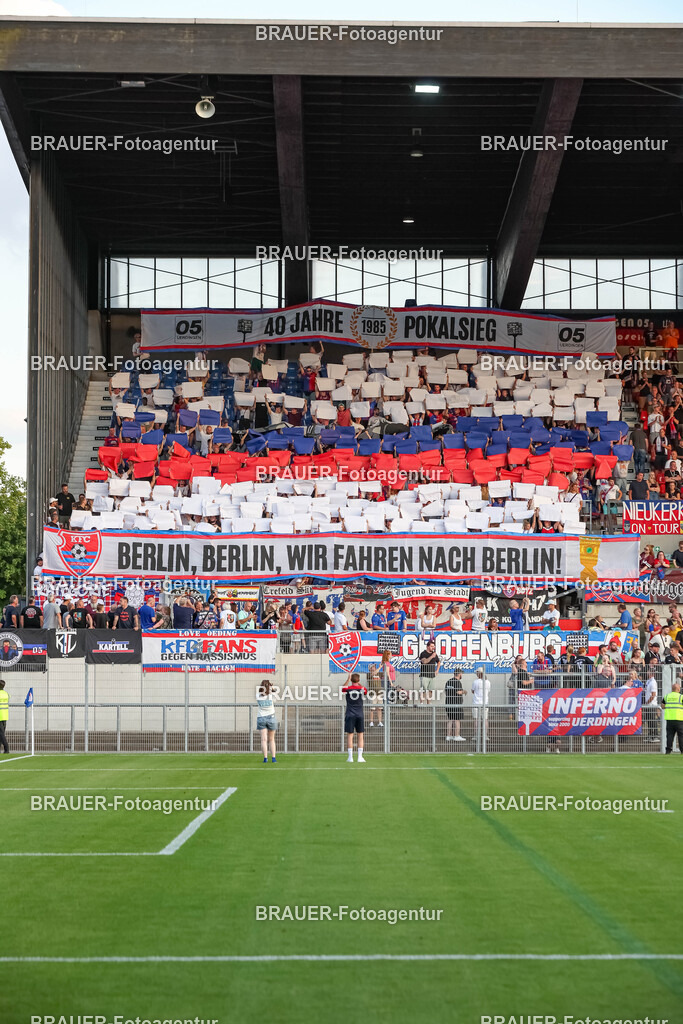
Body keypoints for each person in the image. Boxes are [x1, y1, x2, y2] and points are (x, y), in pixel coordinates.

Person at [342, 672, 367, 763]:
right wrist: (358, 683)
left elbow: (342, 688)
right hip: (359, 714)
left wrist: (348, 679)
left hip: (350, 714)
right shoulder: (361, 689)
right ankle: (360, 757)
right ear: (359, 680)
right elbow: (365, 690)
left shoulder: (348, 689)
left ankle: (350, 757)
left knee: (350, 735)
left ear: (351, 680)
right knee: (360, 735)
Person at [255, 678, 277, 764]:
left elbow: (261, 693)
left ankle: (265, 758)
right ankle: (274, 758)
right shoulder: (271, 696)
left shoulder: (258, 696)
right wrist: (273, 689)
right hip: (271, 717)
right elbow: (275, 698)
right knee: (271, 739)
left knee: (263, 739)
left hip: (261, 718)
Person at [661, 679, 683, 754]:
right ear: (678, 689)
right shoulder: (681, 697)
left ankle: (668, 751)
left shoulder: (667, 696)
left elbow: (662, 706)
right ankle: (682, 750)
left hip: (669, 719)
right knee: (681, 736)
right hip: (679, 719)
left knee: (670, 736)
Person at [444, 669, 466, 742]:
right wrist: (464, 692)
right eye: (461, 674)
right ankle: (456, 735)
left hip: (448, 703)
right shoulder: (457, 682)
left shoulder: (448, 681)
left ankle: (448, 736)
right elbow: (458, 692)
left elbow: (445, 691)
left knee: (450, 720)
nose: (461, 675)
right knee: (457, 720)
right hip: (456, 704)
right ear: (459, 674)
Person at [471, 668, 491, 744]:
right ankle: (485, 735)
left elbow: (473, 691)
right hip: (485, 702)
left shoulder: (475, 682)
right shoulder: (488, 682)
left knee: (476, 719)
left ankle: (476, 735)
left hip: (476, 702)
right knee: (485, 719)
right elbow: (488, 691)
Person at [418, 639, 440, 705]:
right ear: (427, 646)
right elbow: (424, 661)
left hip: (432, 675)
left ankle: (429, 703)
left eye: (434, 646)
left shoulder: (435, 654)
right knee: (423, 690)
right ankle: (421, 702)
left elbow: (438, 662)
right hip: (424, 675)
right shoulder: (423, 653)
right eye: (431, 646)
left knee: (431, 690)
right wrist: (431, 656)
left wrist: (437, 670)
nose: (433, 648)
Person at [644, 671, 660, 743]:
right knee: (649, 720)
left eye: (649, 672)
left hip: (652, 704)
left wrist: (647, 702)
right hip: (648, 704)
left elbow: (653, 694)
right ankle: (650, 735)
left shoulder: (653, 682)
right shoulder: (648, 681)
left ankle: (655, 735)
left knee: (652, 720)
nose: (647, 673)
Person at [0, 680, 8, 754]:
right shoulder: (6, 694)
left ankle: (6, 748)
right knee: (1, 733)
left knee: (1, 734)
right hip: (5, 716)